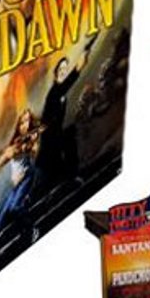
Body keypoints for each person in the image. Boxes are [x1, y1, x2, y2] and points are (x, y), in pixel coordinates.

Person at [35, 46, 91, 190]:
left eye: (65, 70)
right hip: (49, 137)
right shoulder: (54, 92)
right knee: (47, 173)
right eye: (60, 69)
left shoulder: (61, 93)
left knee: (67, 140)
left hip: (55, 135)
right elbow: (71, 79)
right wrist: (78, 66)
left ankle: (70, 179)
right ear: (55, 74)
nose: (63, 72)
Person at [0, 107, 46, 228]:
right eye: (22, 122)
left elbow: (34, 154)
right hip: (16, 184)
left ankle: (32, 228)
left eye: (27, 121)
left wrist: (32, 143)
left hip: (26, 177)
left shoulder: (31, 140)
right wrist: (9, 154)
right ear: (17, 125)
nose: (24, 125)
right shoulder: (15, 143)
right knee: (1, 220)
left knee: (15, 209)